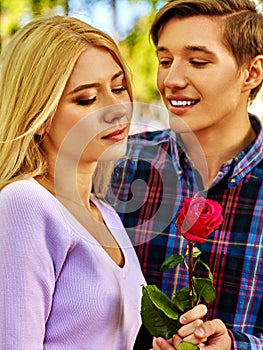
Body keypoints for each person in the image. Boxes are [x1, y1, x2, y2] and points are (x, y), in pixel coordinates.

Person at [109, 0, 263, 349]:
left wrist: (238, 346)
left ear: (251, 73)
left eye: (198, 61)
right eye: (165, 61)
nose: (171, 80)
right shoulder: (120, 166)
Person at [0, 15, 148, 349]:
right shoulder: (26, 203)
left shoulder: (106, 214)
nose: (116, 109)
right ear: (38, 116)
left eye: (118, 87)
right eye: (86, 99)